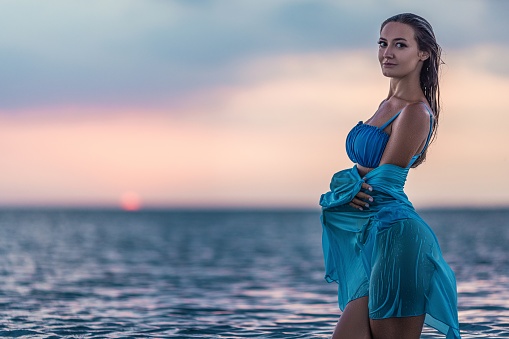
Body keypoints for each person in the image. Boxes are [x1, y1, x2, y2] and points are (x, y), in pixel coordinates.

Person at [319, 13, 461, 339]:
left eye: (400, 44)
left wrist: (342, 183)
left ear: (422, 53)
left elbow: (383, 181)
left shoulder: (415, 111)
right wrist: (345, 184)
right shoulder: (388, 103)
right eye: (383, 43)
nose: (387, 53)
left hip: (398, 239)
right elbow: (366, 176)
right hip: (374, 238)